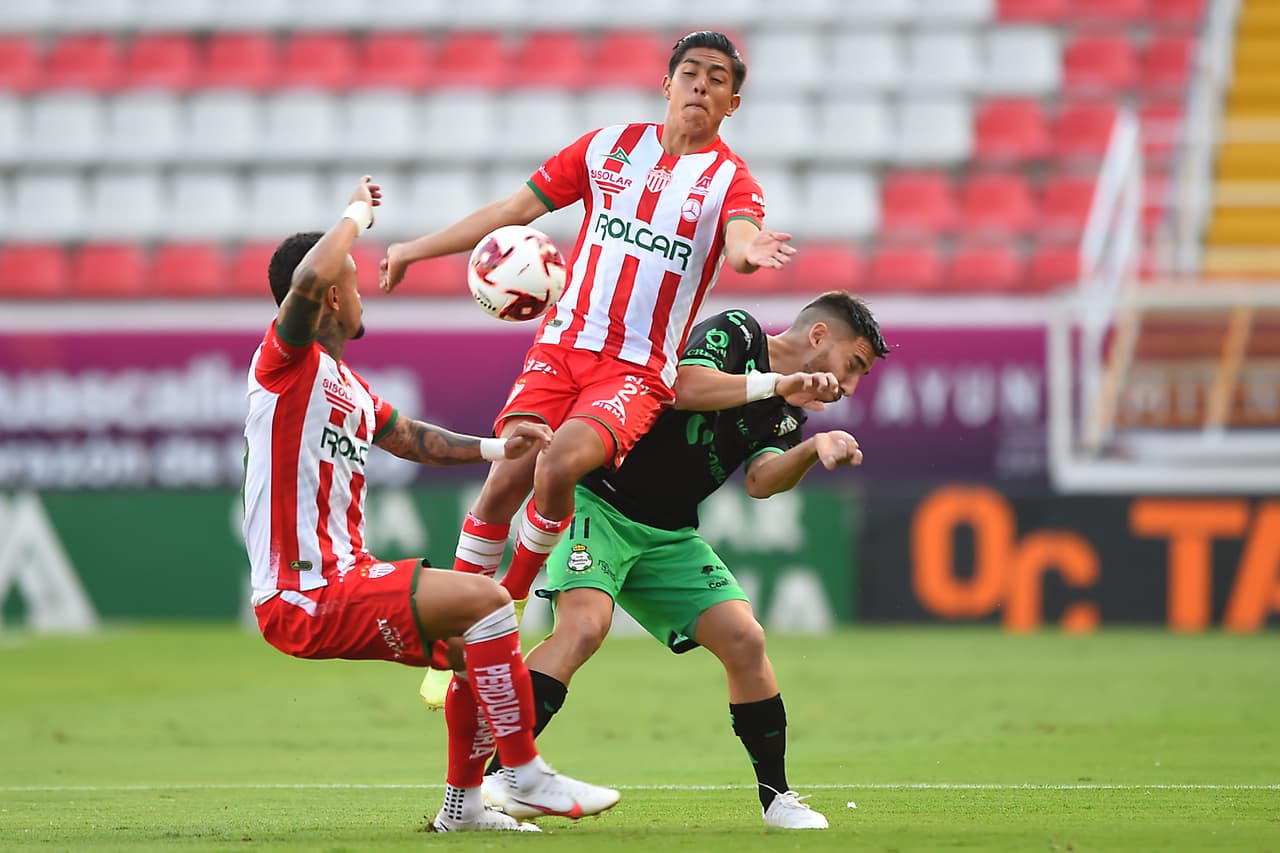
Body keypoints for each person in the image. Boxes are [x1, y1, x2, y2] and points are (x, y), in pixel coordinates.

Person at [380, 32, 819, 651]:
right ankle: (455, 627)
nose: (701, 85)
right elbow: (512, 210)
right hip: (561, 347)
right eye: (690, 73)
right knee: (507, 474)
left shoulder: (729, 182)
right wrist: (412, 250)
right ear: (667, 85)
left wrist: (750, 251)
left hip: (636, 371)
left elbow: (743, 238)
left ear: (732, 104)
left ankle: (507, 600)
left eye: (718, 79)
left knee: (558, 462)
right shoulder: (608, 148)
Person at [242, 176, 620, 833]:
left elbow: (413, 439)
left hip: (341, 578)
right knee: (491, 601)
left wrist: (499, 447)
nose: (362, 292)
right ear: (333, 294)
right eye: (354, 282)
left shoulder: (346, 386)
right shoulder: (284, 362)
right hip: (306, 591)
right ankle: (525, 774)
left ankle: (464, 808)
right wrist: (357, 213)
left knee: (477, 644)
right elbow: (305, 279)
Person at [477, 292, 890, 830]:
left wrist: (813, 450)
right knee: (583, 629)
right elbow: (678, 389)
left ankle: (777, 799)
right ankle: (497, 777)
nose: (851, 385)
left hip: (668, 533)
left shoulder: (788, 411)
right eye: (853, 365)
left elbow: (763, 481)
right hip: (599, 502)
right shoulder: (739, 333)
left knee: (746, 639)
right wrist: (776, 384)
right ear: (818, 337)